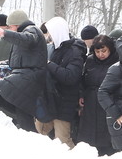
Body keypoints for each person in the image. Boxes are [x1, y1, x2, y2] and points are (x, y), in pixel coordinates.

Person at [37, 16, 86, 148]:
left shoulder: (74, 52)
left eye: (51, 32)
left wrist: (49, 64)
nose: (49, 36)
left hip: (64, 103)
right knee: (39, 131)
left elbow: (70, 77)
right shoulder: (53, 48)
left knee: (63, 141)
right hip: (50, 99)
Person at [77, 34, 119, 155]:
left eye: (104, 51)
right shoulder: (90, 61)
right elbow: (83, 80)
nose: (101, 54)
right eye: (98, 51)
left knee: (105, 135)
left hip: (107, 102)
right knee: (88, 136)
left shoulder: (116, 61)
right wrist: (81, 94)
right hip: (90, 100)